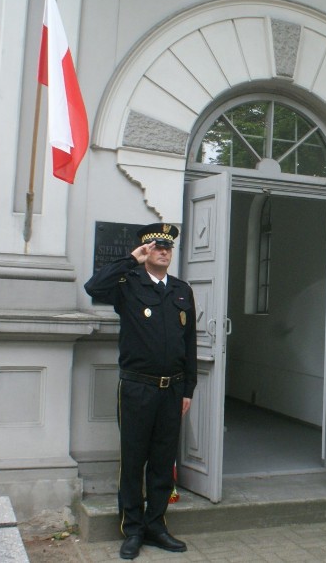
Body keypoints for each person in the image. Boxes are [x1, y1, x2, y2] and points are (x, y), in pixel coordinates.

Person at [84, 223, 197, 560]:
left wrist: (188, 388)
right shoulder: (128, 284)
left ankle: (156, 525)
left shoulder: (181, 290)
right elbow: (93, 286)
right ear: (146, 250)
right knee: (134, 461)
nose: (163, 251)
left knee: (163, 461)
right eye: (156, 247)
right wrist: (131, 259)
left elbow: (188, 343)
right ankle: (132, 529)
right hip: (137, 387)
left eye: (168, 247)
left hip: (172, 389)